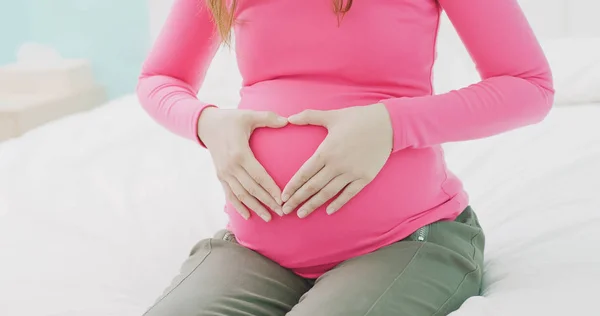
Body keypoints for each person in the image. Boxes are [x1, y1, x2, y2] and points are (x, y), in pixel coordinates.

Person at [137, 0, 553, 314]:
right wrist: (206, 124)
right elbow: (160, 78)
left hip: (405, 241)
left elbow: (528, 86)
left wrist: (391, 124)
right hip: (255, 248)